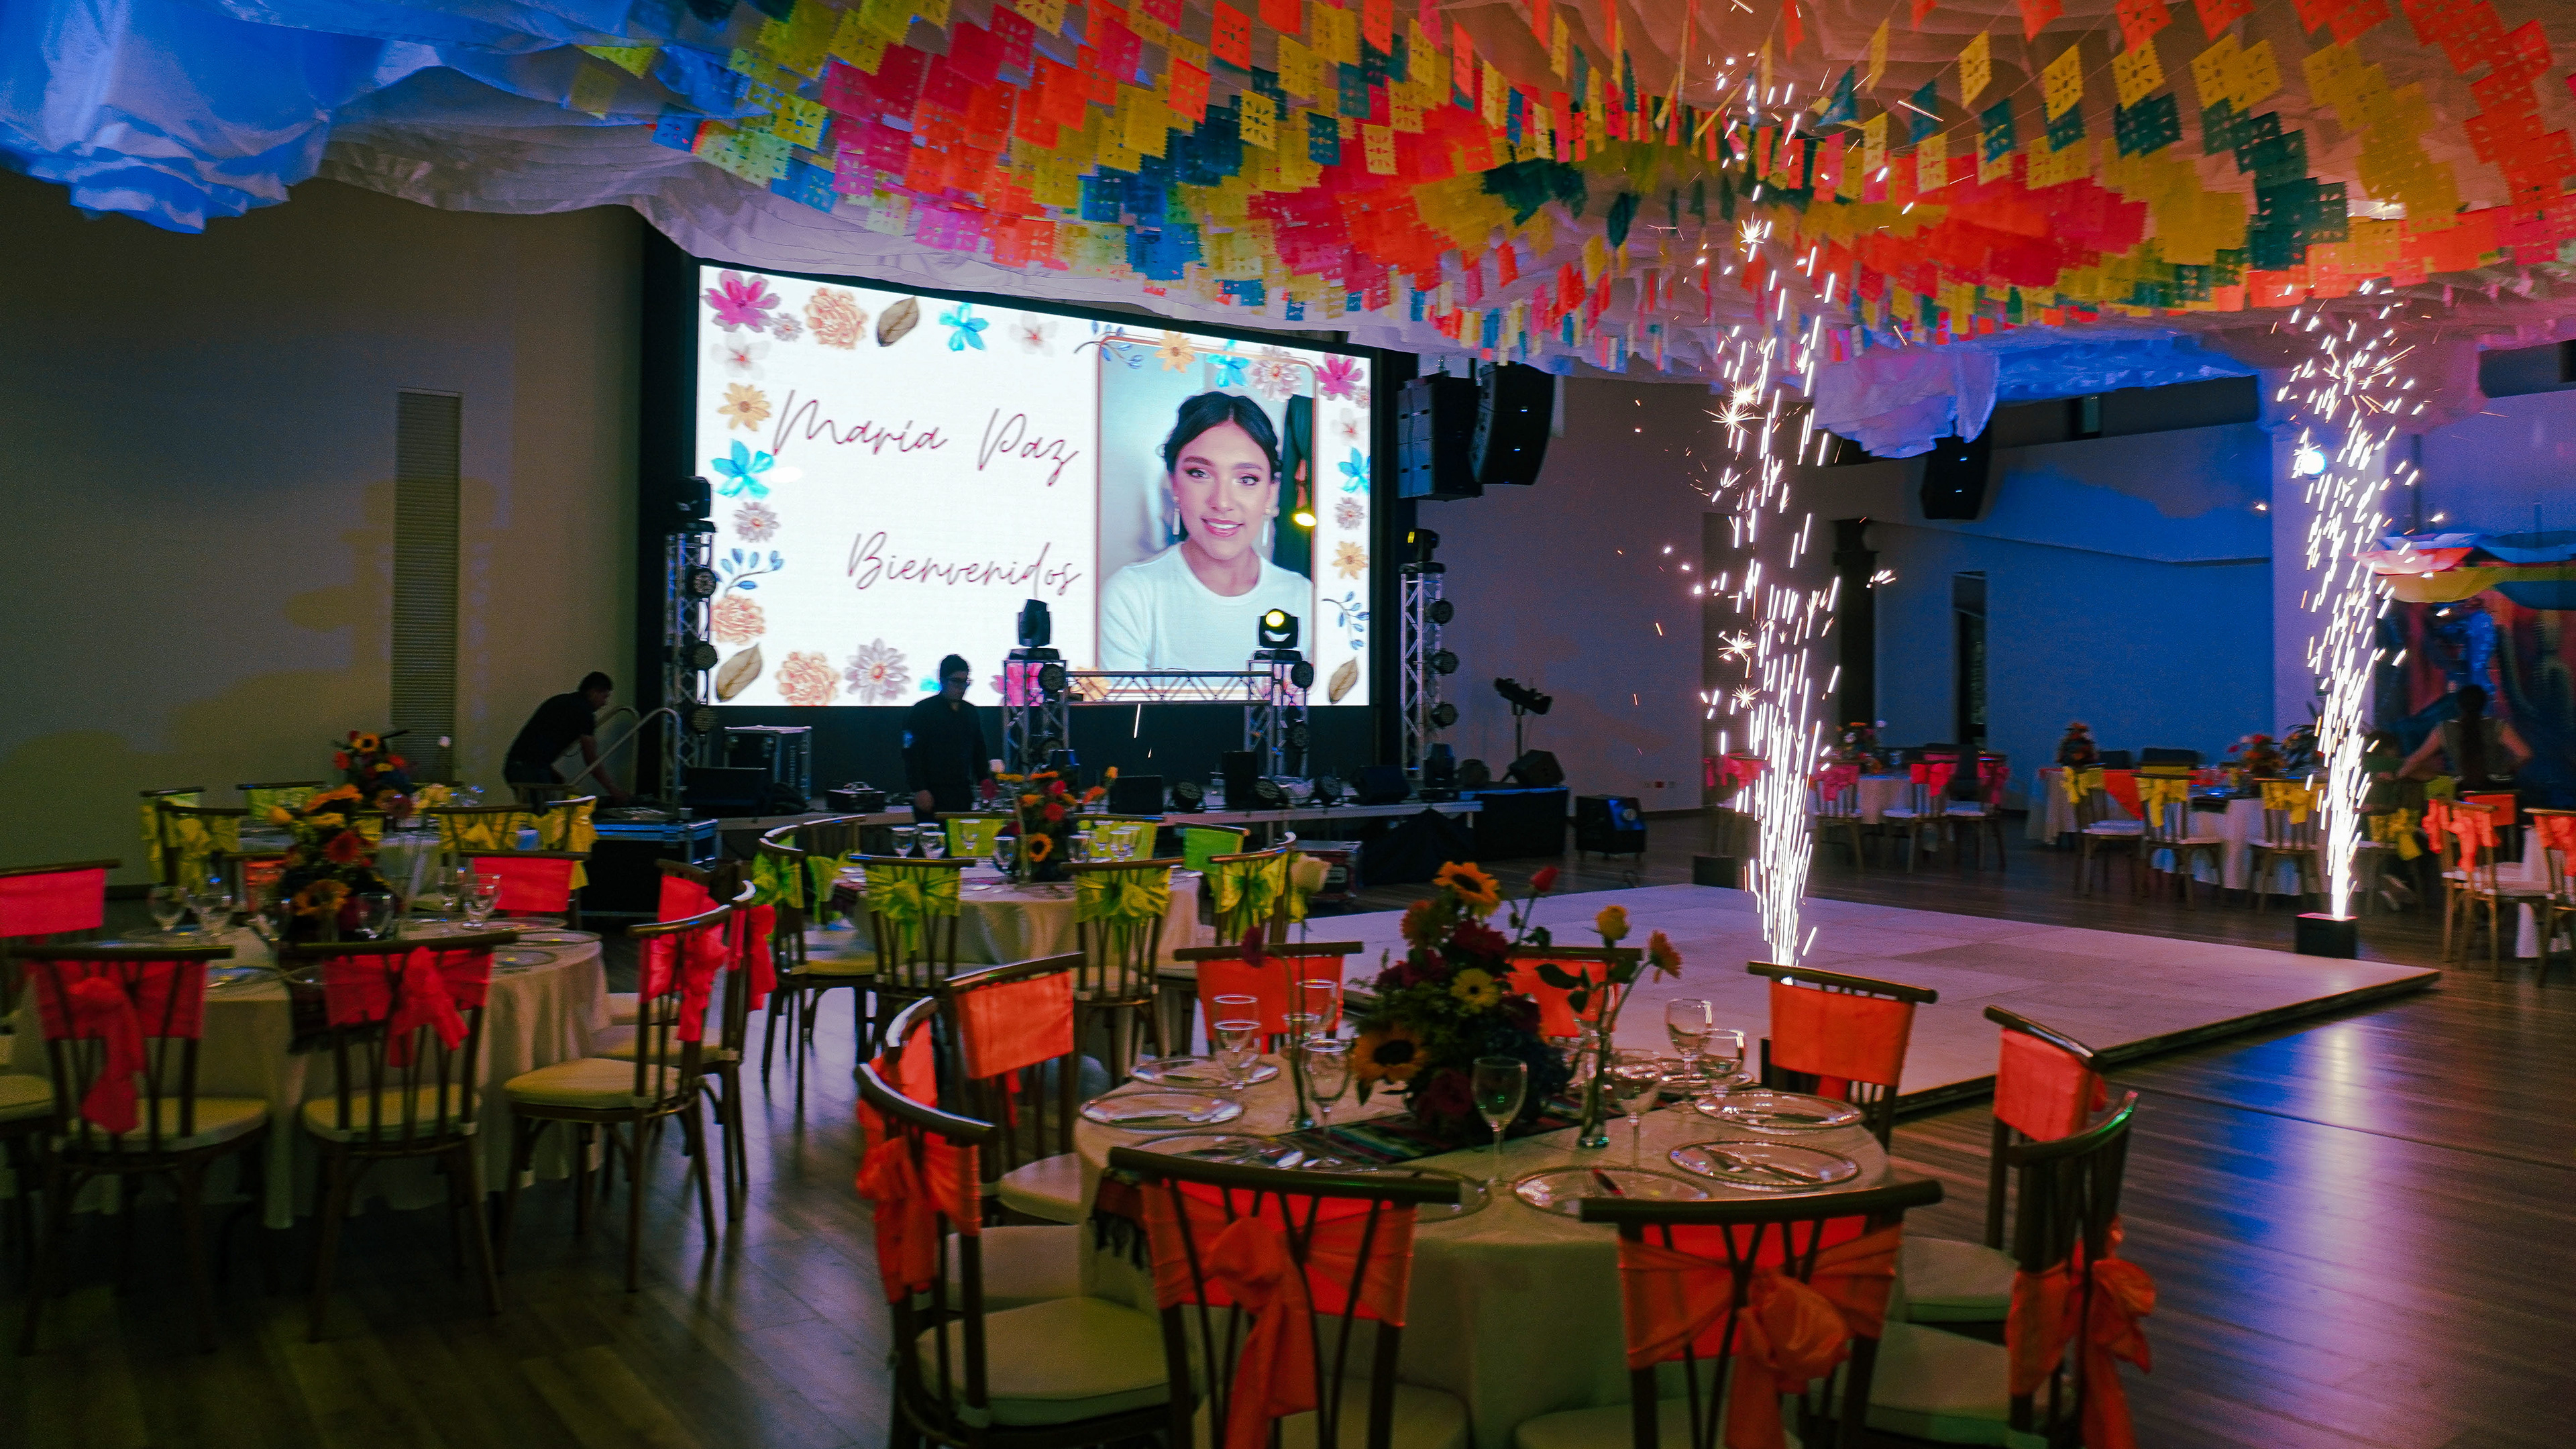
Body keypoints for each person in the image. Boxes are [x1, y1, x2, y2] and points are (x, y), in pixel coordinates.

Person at [1099, 392, 1313, 671]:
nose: (1222, 502)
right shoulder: (1130, 596)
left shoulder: (1306, 599)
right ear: (1174, 483)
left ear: (1270, 493)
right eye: (1199, 473)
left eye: (1247, 479)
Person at [504, 672, 627, 802]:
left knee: (535, 809)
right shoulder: (584, 712)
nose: (605, 703)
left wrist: (551, 772)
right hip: (531, 769)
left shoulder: (561, 701)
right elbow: (591, 759)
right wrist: (613, 789)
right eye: (604, 697)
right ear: (594, 692)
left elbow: (538, 740)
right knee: (543, 813)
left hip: (515, 765)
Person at [903, 655, 993, 820]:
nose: (962, 687)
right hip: (931, 793)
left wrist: (984, 780)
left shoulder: (970, 712)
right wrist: (919, 789)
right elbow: (912, 754)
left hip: (962, 793)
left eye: (965, 682)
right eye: (956, 681)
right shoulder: (922, 711)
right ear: (942, 680)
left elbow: (979, 750)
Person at [2401, 683, 2531, 790]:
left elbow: (2417, 758)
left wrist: (2397, 775)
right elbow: (2525, 754)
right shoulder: (2498, 726)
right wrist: (2508, 768)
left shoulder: (2443, 729)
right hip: (2501, 789)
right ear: (2484, 704)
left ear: (2458, 704)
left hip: (2464, 790)